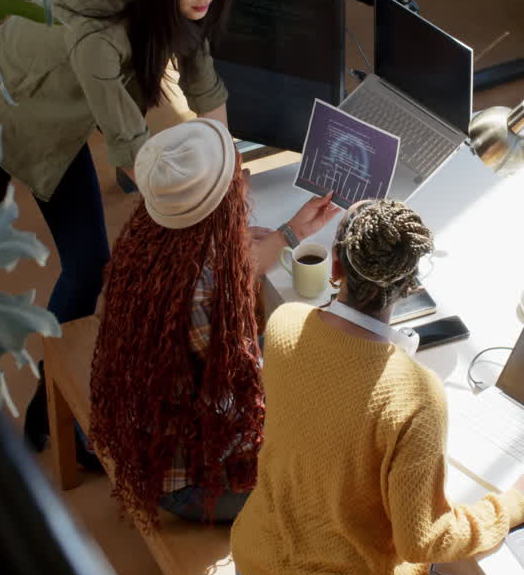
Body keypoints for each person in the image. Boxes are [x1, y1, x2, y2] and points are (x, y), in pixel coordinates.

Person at [0, 0, 234, 450]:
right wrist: (199, 233)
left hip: (57, 130)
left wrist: (232, 193)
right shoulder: (97, 37)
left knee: (89, 264)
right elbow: (137, 156)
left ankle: (49, 408)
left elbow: (207, 99)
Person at [231, 200, 524, 575]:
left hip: (255, 562)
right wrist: (516, 503)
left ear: (335, 266)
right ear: (412, 285)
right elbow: (423, 541)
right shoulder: (417, 395)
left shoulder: (286, 323)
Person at [89, 119, 339, 524]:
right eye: (236, 177)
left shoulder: (150, 236)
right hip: (192, 482)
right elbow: (247, 395)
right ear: (221, 202)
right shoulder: (204, 287)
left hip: (148, 438)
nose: (244, 178)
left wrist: (288, 234)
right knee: (332, 460)